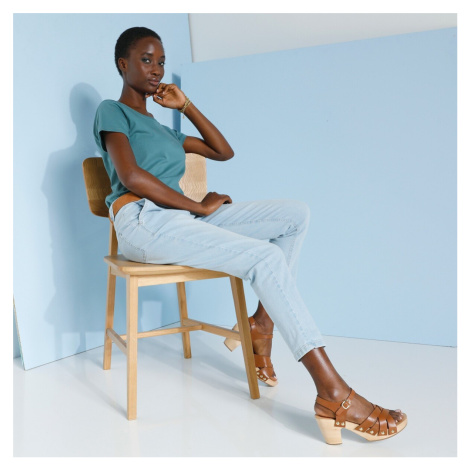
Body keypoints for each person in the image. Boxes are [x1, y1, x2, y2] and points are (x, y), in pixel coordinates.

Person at [93, 26, 407, 444]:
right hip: (142, 221)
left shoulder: (165, 129)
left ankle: (261, 324)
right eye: (146, 60)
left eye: (162, 62)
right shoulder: (112, 111)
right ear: (123, 64)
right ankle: (333, 393)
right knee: (266, 258)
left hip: (181, 219)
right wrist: (199, 206)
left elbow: (223, 151)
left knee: (295, 215)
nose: (156, 69)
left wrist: (186, 105)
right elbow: (131, 176)